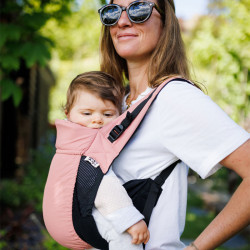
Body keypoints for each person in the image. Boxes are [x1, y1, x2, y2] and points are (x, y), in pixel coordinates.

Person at [98, 0, 250, 249]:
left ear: (166, 23)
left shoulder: (174, 98)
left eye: (138, 9)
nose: (123, 21)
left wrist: (197, 247)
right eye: (113, 11)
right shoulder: (117, 103)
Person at [44, 71, 149, 250]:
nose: (97, 120)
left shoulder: (69, 141)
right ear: (68, 113)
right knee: (125, 238)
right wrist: (132, 220)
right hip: (74, 219)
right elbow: (104, 187)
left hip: (62, 216)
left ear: (120, 114)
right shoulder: (89, 144)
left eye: (108, 115)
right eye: (87, 113)